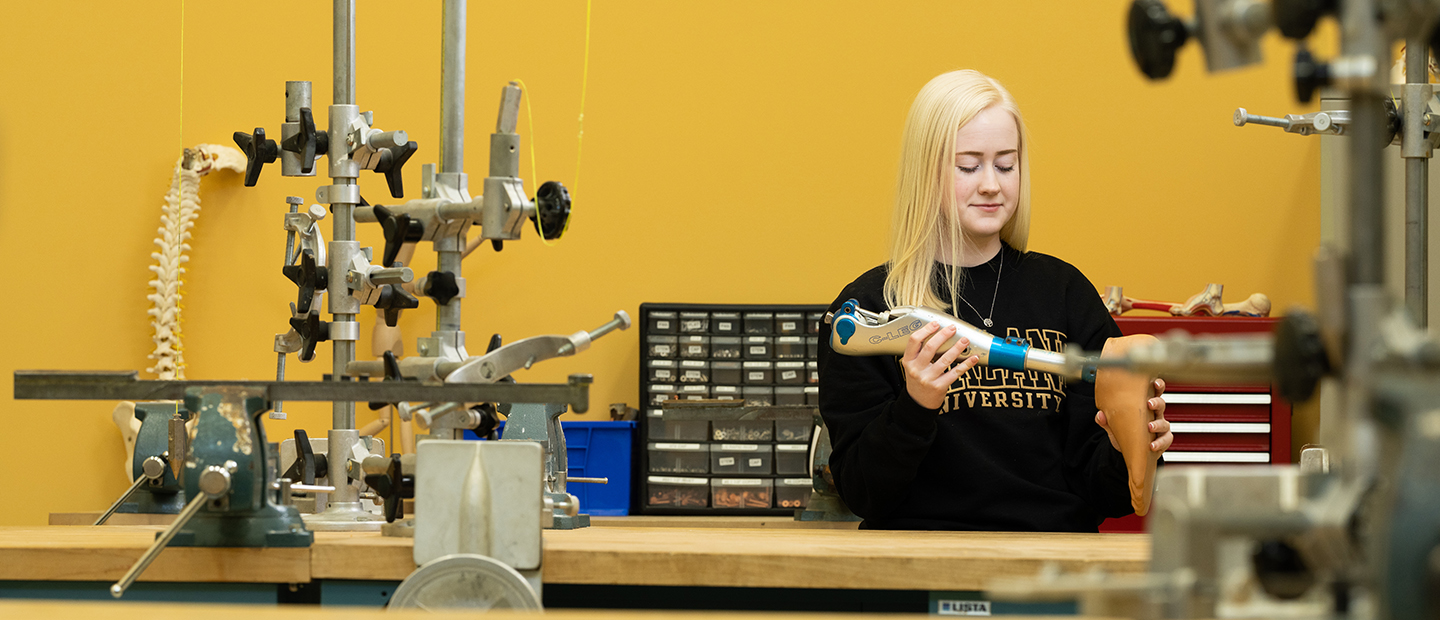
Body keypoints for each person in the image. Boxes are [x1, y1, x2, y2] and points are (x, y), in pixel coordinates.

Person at [817, 70, 1174, 532]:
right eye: (968, 166)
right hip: (920, 557)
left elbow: (1111, 495)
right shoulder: (872, 312)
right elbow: (863, 492)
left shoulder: (1065, 293)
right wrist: (915, 406)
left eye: (1006, 165)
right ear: (925, 172)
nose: (991, 184)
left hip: (1050, 560)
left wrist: (1127, 446)